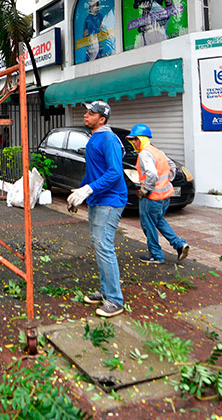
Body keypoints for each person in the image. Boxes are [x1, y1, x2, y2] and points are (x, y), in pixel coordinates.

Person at [67, 100, 127, 318]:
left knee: (104, 245)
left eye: (91, 113)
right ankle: (106, 292)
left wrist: (88, 190)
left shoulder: (108, 138)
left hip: (110, 200)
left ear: (102, 119)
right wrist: (80, 190)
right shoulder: (96, 137)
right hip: (99, 199)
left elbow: (114, 173)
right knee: (99, 245)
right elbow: (95, 171)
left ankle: (115, 300)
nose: (86, 115)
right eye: (86, 112)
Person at [127, 124, 189, 265]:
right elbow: (172, 167)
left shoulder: (144, 154)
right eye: (132, 140)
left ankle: (156, 255)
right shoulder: (157, 151)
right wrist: (166, 182)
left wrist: (146, 189)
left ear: (141, 139)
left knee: (148, 225)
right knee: (159, 221)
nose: (133, 143)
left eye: (135, 139)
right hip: (165, 197)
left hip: (151, 198)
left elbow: (152, 174)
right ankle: (179, 245)